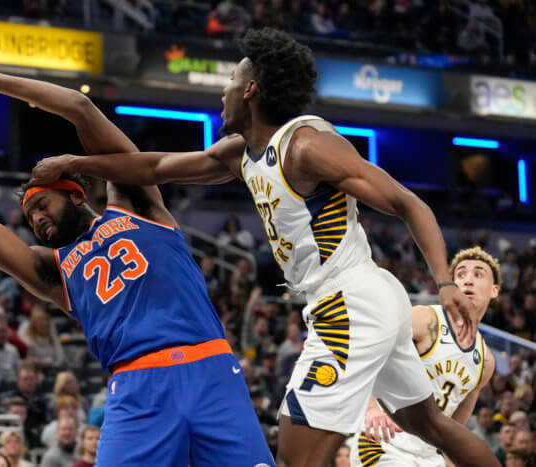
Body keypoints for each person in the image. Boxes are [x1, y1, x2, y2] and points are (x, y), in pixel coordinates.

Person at [45, 26, 500, 467]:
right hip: (366, 299)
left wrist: (443, 281)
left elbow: (407, 202)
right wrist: (76, 162)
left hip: (351, 302)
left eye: (230, 80)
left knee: (295, 457)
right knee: (429, 425)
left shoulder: (306, 146)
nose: (223, 90)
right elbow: (157, 166)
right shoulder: (240, 152)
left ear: (251, 89)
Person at [0, 39, 273, 467]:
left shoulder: (136, 204)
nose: (35, 220)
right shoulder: (52, 269)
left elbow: (80, 109)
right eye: (28, 215)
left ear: (74, 193)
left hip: (210, 370)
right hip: (135, 388)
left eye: (41, 205)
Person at [350, 247, 499, 465]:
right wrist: (371, 408)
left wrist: (447, 459)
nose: (467, 280)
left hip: (429, 455)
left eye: (478, 274)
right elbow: (367, 350)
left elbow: (457, 421)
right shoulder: (426, 318)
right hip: (386, 441)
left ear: (494, 290)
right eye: (460, 274)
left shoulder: (486, 361)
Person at [17, 305, 65, 370]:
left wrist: (52, 364)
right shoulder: (28, 341)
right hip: (33, 370)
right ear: (34, 326)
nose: (44, 328)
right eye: (41, 325)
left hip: (52, 370)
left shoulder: (54, 340)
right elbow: (28, 360)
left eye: (46, 325)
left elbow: (60, 359)